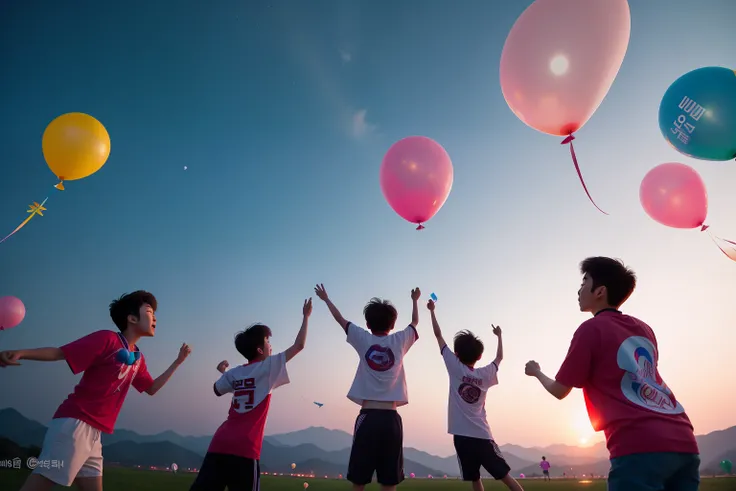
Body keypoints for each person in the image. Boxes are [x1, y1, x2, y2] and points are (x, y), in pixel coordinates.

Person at [525, 257, 700, 491]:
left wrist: (537, 372)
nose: (579, 289)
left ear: (600, 291)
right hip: (684, 439)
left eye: (584, 282)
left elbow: (560, 390)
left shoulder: (590, 329)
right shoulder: (644, 328)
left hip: (638, 445)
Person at [0, 290, 191, 491]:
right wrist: (21, 353)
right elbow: (61, 353)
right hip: (75, 425)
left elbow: (151, 388)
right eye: (150, 311)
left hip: (95, 433)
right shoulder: (107, 339)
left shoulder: (138, 358)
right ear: (132, 318)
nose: (155, 318)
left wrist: (177, 362)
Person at [189, 298, 313, 491]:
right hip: (245, 449)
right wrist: (306, 316)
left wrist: (224, 372)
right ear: (259, 349)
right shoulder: (269, 367)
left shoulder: (235, 373)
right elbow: (299, 345)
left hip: (219, 444)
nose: (270, 346)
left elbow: (217, 389)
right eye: (268, 341)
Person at [314, 284, 420, 491]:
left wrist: (326, 299)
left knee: (359, 481)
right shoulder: (400, 340)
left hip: (368, 418)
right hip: (391, 419)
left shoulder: (363, 338)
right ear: (392, 323)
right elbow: (415, 322)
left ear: (368, 324)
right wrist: (415, 299)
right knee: (389, 482)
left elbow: (341, 320)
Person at [427, 299, 523, 491]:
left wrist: (432, 311)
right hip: (482, 435)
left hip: (462, 437)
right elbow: (499, 358)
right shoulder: (485, 374)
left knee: (474, 479)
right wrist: (499, 336)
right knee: (505, 477)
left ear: (456, 353)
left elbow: (438, 336)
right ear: (479, 356)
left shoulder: (454, 367)